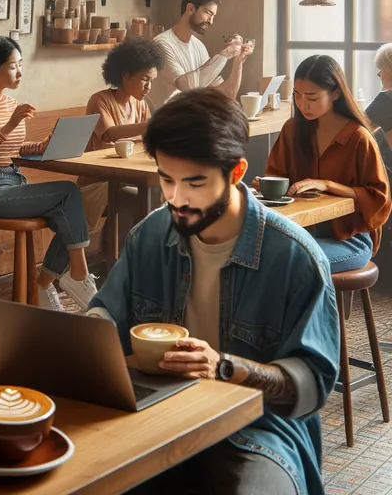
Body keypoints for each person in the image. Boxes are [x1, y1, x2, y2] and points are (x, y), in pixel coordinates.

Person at [89, 88, 339, 495]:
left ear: (236, 172)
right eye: (166, 179)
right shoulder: (150, 235)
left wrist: (223, 366)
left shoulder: (295, 257)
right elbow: (106, 317)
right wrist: (83, 332)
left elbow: (310, 385)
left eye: (195, 183)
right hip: (157, 411)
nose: (176, 198)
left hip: (257, 428)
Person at [0, 36, 97, 312]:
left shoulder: (10, 103)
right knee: (69, 191)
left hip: (14, 178)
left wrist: (41, 147)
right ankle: (78, 275)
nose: (20, 73)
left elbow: (13, 149)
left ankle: (44, 285)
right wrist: (10, 124)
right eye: (12, 66)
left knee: (69, 211)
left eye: (20, 65)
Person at [264, 55, 390, 273]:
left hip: (350, 240)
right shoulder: (292, 130)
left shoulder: (358, 137)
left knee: (288, 266)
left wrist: (327, 185)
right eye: (297, 95)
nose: (302, 104)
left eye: (312, 97)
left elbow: (379, 197)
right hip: (298, 233)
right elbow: (277, 176)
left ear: (335, 93)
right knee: (254, 257)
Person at [80, 37, 164, 236]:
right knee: (146, 199)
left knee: (161, 195)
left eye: (152, 80)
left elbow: (149, 139)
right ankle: (120, 257)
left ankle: (126, 257)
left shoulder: (140, 105)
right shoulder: (99, 100)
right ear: (125, 75)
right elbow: (109, 134)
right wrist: (151, 125)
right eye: (145, 79)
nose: (149, 87)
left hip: (128, 179)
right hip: (97, 184)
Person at [148, 0, 251, 110]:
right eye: (208, 13)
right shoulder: (161, 44)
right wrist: (225, 54)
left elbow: (227, 96)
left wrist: (238, 62)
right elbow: (187, 87)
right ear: (190, 8)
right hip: (165, 122)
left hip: (191, 120)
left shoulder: (198, 46)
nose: (211, 21)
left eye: (213, 16)